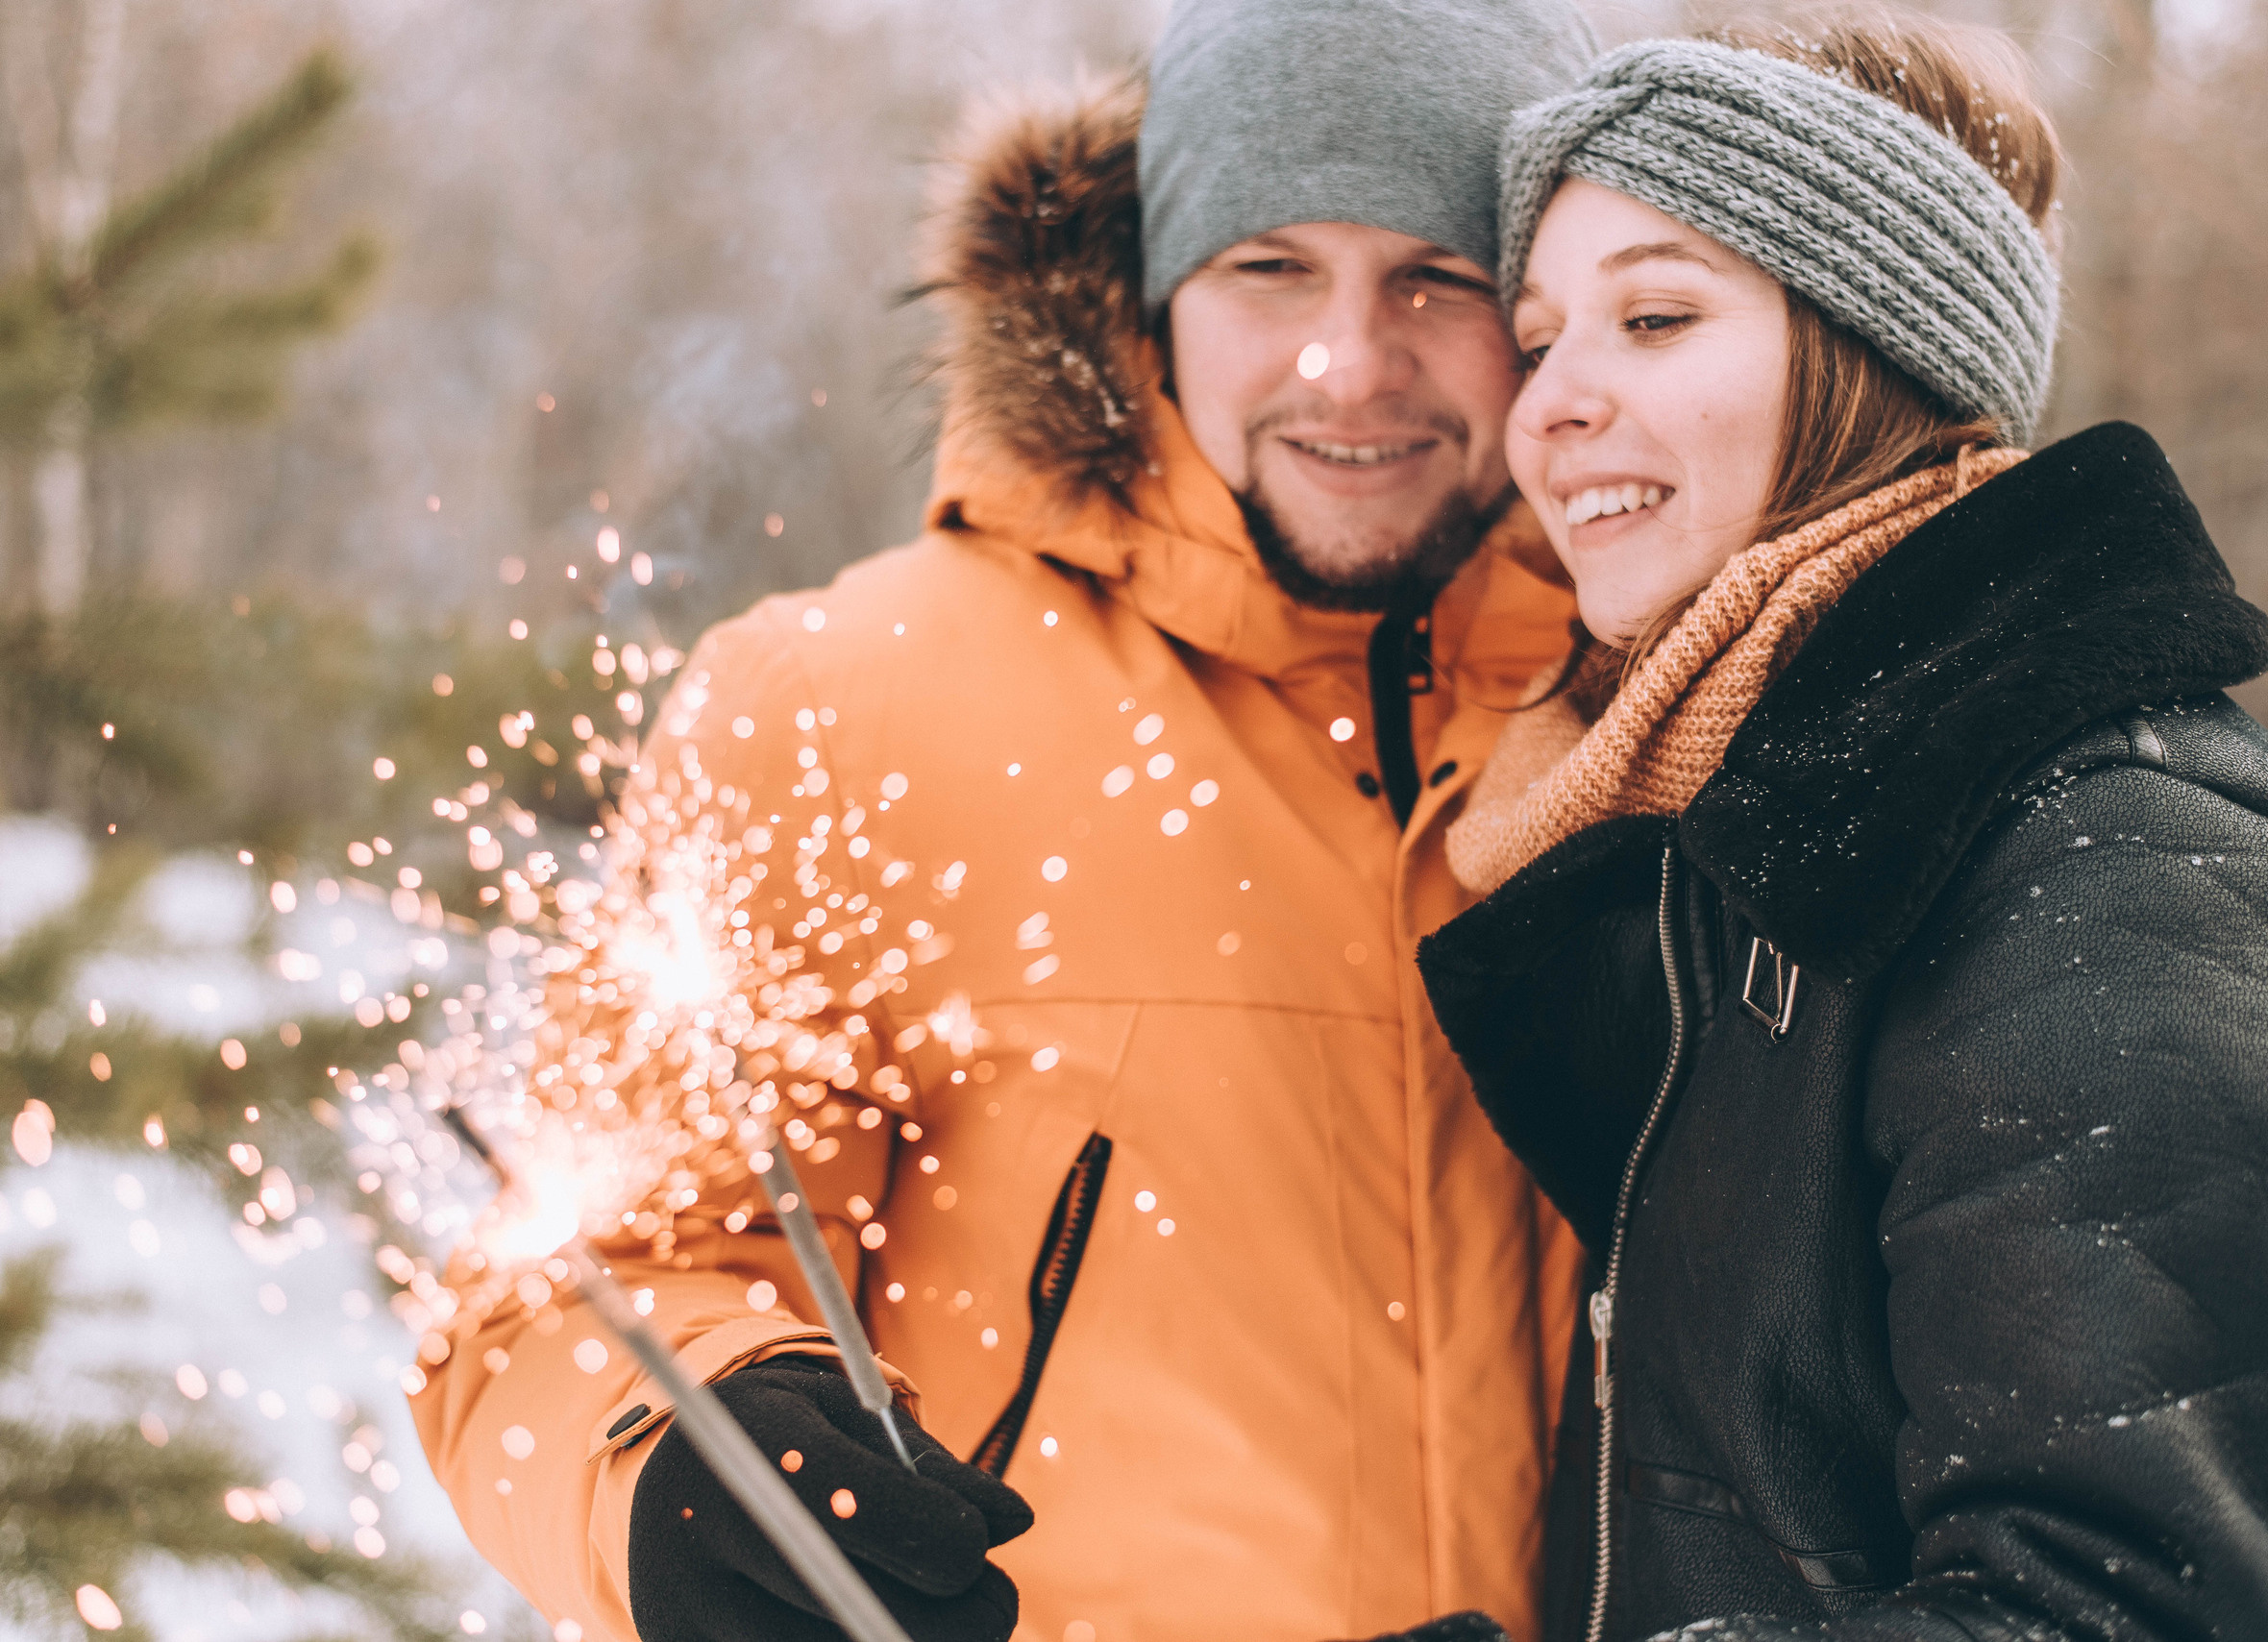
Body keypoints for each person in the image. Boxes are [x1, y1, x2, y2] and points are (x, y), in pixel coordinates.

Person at [409, 5, 1604, 1642]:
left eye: (1436, 278)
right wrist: (679, 1472)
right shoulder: (841, 710)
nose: (1351, 358)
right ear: (1153, 292)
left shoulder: (1672, 711)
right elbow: (565, 1293)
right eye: (1268, 268)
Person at [1408, 14, 2268, 1642]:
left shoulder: (2137, 895)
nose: (1545, 408)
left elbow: (2096, 1610)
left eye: (1656, 315)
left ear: (1877, 352)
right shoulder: (1760, 850)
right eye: (1540, 341)